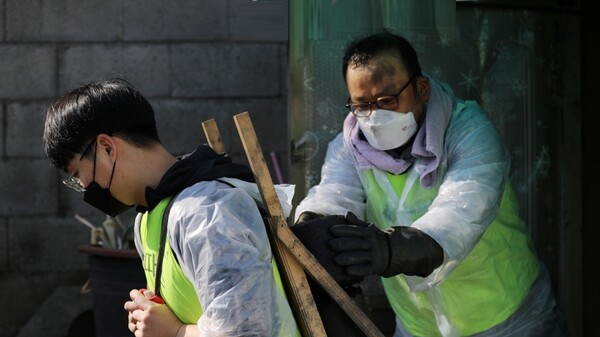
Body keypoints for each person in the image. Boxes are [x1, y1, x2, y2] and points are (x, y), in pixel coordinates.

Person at [292, 30, 567, 337]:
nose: (374, 117)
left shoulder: (469, 133)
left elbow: (460, 214)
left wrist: (389, 249)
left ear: (421, 89)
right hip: (419, 326)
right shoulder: (349, 146)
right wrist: (310, 228)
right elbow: (333, 196)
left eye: (387, 100)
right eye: (362, 106)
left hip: (506, 317)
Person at [42, 77, 299, 337]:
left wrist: (174, 332)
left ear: (107, 148)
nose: (84, 186)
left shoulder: (206, 212)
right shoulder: (149, 216)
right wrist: (151, 318)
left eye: (77, 174)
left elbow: (250, 331)